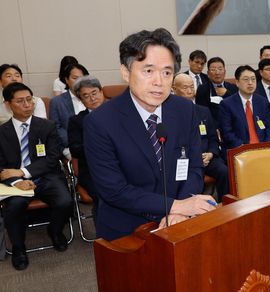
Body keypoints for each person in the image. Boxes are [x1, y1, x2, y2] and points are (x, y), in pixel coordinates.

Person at [84, 28, 216, 241]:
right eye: (148, 71)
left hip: (179, 222)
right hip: (127, 230)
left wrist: (180, 212)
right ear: (126, 73)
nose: (159, 81)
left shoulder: (185, 110)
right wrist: (176, 205)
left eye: (166, 72)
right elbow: (114, 190)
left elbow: (194, 167)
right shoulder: (100, 122)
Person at [0, 82, 73, 270]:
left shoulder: (46, 126)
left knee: (65, 201)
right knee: (14, 206)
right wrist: (17, 181)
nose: (27, 105)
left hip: (46, 176)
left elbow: (53, 157)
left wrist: (23, 172)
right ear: (8, 104)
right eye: (20, 101)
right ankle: (18, 247)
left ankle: (55, 231)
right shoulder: (2, 132)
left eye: (29, 100)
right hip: (15, 184)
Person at [173, 73, 229, 201]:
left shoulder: (203, 111)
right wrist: (194, 158)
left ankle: (224, 206)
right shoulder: (169, 114)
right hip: (185, 159)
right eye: (185, 87)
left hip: (207, 157)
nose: (189, 91)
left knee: (224, 171)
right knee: (189, 179)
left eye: (192, 87)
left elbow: (213, 138)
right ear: (174, 89)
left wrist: (211, 153)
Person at [68, 76, 105, 222]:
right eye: (86, 96)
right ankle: (105, 237)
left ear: (102, 92)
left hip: (122, 166)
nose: (92, 98)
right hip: (92, 170)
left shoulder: (119, 115)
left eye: (94, 93)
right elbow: (75, 149)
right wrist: (100, 145)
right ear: (81, 100)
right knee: (104, 195)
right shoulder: (76, 121)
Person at [219, 65, 270, 150]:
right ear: (237, 82)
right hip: (240, 149)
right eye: (246, 79)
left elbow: (269, 128)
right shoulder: (227, 104)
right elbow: (227, 132)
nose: (250, 83)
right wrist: (242, 147)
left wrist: (266, 146)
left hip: (262, 148)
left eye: (253, 79)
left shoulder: (263, 102)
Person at [49, 63, 89, 154]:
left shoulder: (93, 99)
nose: (79, 81)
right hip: (70, 145)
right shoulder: (57, 102)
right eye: (75, 78)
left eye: (82, 78)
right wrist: (74, 141)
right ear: (67, 80)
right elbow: (56, 128)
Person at [195, 56, 237, 121]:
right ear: (208, 73)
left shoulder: (233, 88)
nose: (217, 73)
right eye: (213, 69)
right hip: (212, 126)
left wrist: (226, 94)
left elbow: (236, 108)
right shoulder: (202, 89)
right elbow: (201, 113)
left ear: (225, 72)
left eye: (220, 69)